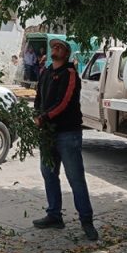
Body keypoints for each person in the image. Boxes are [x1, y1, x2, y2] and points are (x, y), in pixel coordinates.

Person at [32, 39, 99, 241]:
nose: (55, 49)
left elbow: (64, 102)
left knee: (75, 177)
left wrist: (44, 117)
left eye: (60, 47)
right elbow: (38, 97)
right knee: (48, 173)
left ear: (67, 53)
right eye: (53, 47)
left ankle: (86, 220)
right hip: (48, 134)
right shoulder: (45, 72)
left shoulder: (70, 74)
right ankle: (54, 215)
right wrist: (36, 113)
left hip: (67, 134)